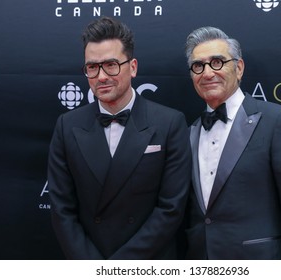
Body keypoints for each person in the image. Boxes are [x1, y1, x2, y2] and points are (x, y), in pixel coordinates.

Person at [48, 17, 191, 259]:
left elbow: (170, 209)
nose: (101, 76)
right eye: (92, 67)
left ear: (132, 67)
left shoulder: (170, 123)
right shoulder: (67, 126)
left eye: (111, 64)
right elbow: (62, 210)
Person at [183, 26, 281, 259]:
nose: (207, 73)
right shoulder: (190, 132)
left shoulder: (277, 122)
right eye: (198, 65)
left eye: (217, 62)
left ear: (239, 68)